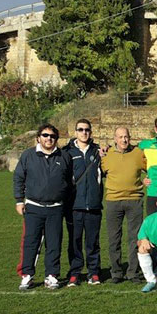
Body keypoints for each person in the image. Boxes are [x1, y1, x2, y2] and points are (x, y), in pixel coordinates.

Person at [13, 124, 73, 290]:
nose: (49, 139)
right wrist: (19, 200)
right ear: (38, 137)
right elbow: (18, 178)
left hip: (55, 208)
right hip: (33, 207)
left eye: (52, 136)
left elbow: (68, 182)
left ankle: (52, 275)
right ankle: (27, 275)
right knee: (30, 242)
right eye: (45, 135)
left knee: (54, 243)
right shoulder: (28, 155)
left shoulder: (64, 157)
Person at [101, 126, 147, 284]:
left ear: (130, 137)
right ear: (115, 139)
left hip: (135, 200)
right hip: (113, 201)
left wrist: (147, 180)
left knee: (134, 238)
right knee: (114, 238)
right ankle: (116, 272)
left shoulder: (138, 154)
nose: (124, 140)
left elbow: (151, 169)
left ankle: (132, 272)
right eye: (120, 137)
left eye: (126, 137)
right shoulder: (107, 155)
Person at [64, 119, 104, 287]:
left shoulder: (97, 151)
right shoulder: (67, 152)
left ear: (91, 132)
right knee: (75, 241)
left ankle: (94, 272)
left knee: (92, 241)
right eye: (80, 130)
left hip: (93, 204)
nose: (84, 132)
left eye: (87, 130)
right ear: (75, 132)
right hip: (74, 205)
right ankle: (75, 272)